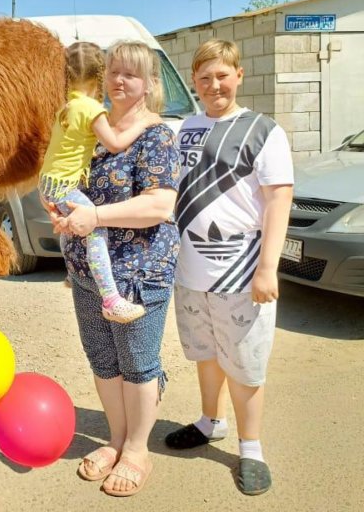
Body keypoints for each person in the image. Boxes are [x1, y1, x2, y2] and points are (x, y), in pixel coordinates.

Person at [51, 40, 180, 498]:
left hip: (139, 270)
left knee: (137, 364)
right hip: (90, 272)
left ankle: (138, 450)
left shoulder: (155, 135)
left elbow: (160, 205)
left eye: (130, 74)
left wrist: (95, 218)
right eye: (113, 72)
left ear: (148, 84)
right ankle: (116, 439)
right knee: (104, 361)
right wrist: (67, 218)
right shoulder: (96, 129)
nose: (118, 80)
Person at [165, 39, 293, 496]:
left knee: (245, 366)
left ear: (238, 75)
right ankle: (209, 422)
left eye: (222, 75)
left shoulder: (263, 130)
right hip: (190, 271)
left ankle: (251, 448)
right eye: (204, 77)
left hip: (241, 272)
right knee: (205, 355)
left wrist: (267, 268)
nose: (213, 85)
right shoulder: (184, 129)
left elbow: (279, 199)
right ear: (194, 82)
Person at [39, 42, 149, 323]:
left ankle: (70, 272)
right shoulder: (91, 108)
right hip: (63, 185)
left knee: (70, 225)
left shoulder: (67, 107)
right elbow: (113, 144)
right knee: (94, 228)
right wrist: (144, 123)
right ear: (100, 75)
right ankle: (111, 299)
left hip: (49, 182)